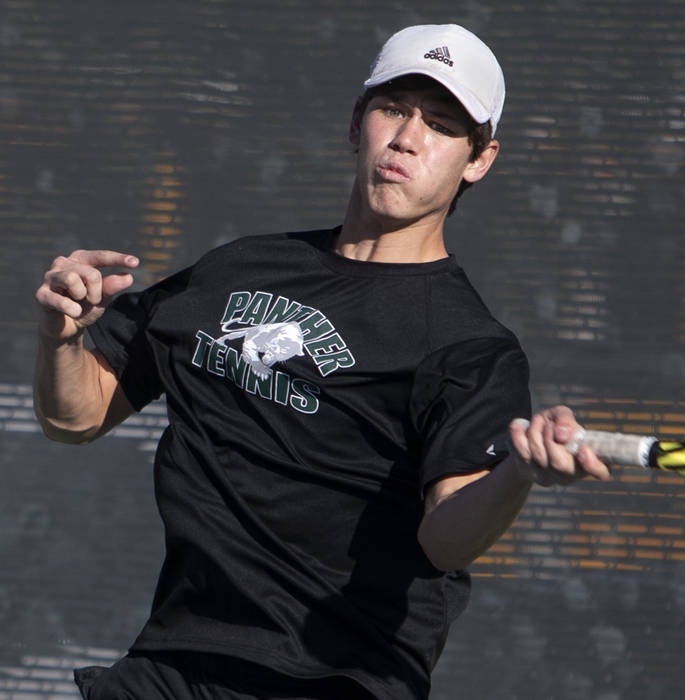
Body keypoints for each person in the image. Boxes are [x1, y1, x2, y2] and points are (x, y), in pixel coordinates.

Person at [33, 24, 609, 700]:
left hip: (335, 682)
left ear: (478, 160)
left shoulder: (470, 348)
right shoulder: (238, 270)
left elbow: (448, 537)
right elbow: (78, 416)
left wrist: (516, 474)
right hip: (174, 664)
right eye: (393, 109)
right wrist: (61, 337)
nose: (407, 138)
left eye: (443, 125)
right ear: (357, 122)